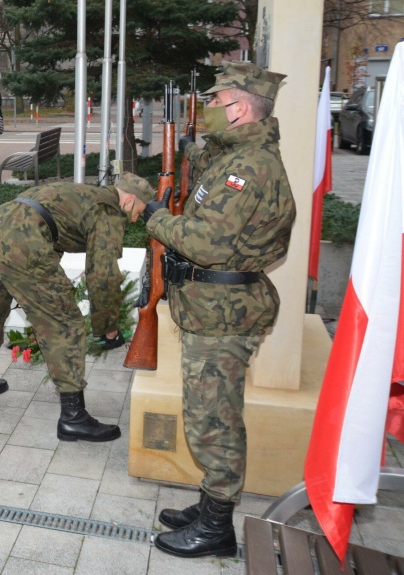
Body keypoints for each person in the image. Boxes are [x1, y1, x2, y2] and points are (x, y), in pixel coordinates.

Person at [134, 62, 294, 559]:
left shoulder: (248, 168)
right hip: (212, 310)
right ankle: (209, 506)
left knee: (215, 421)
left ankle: (217, 527)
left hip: (224, 314)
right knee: (209, 411)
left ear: (240, 108)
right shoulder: (237, 157)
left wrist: (156, 218)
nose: (209, 112)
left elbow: (205, 242)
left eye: (216, 103)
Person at [0, 171, 157, 442]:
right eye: (139, 210)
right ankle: (73, 417)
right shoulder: (109, 211)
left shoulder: (85, 193)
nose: (136, 218)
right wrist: (107, 329)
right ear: (129, 200)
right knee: (65, 323)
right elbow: (103, 275)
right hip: (23, 243)